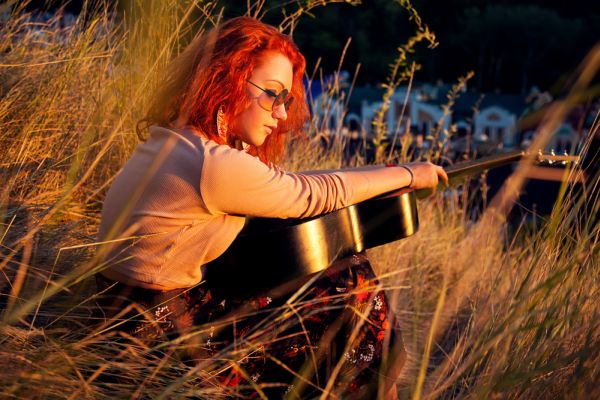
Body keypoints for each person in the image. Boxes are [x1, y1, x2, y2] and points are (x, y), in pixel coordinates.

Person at [95, 16, 448, 399]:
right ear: (226, 79)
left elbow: (297, 185)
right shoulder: (211, 164)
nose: (281, 114)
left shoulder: (184, 144)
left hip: (130, 324)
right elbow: (312, 194)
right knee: (351, 284)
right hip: (161, 349)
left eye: (287, 99)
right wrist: (408, 175)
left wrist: (391, 173)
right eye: (272, 94)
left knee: (331, 278)